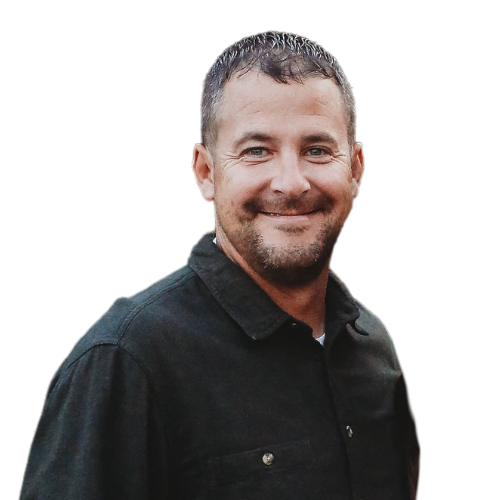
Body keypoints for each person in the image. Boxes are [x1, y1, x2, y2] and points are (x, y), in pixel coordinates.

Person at [19, 30, 421, 499]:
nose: (291, 182)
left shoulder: (374, 350)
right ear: (206, 173)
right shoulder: (127, 361)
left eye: (316, 150)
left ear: (355, 169)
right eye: (257, 151)